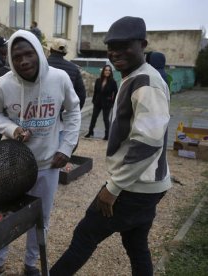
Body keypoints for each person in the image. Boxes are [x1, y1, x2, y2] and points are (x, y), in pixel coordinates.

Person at [50, 16, 172, 276]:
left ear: (143, 44)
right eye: (111, 46)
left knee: (85, 235)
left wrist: (114, 187)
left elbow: (147, 143)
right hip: (147, 184)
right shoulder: (136, 76)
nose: (115, 52)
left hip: (135, 186)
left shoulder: (146, 83)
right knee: (136, 244)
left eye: (125, 45)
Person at [0, 29, 81, 276]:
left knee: (41, 217)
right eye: (17, 57)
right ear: (10, 59)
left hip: (48, 164)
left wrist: (66, 147)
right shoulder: (2, 84)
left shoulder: (59, 79)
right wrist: (13, 128)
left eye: (29, 54)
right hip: (12, 165)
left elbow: (73, 111)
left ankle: (31, 263)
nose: (24, 61)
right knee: (6, 214)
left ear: (39, 52)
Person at [47, 38, 86, 109]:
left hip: (44, 113)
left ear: (51, 49)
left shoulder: (41, 65)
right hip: (65, 112)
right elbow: (81, 94)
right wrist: (75, 111)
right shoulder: (74, 68)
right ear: (65, 52)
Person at [84, 64, 118, 140]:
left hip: (107, 103)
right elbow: (95, 91)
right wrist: (93, 100)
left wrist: (112, 102)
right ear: (103, 71)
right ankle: (90, 132)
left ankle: (107, 134)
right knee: (93, 117)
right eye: (106, 70)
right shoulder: (98, 80)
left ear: (110, 72)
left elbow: (116, 93)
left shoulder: (113, 82)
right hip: (97, 102)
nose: (107, 72)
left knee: (106, 119)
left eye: (109, 70)